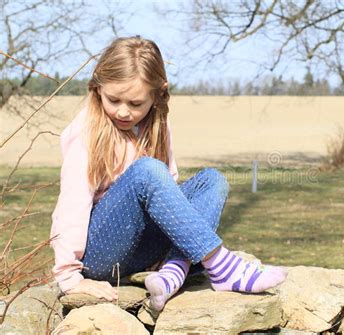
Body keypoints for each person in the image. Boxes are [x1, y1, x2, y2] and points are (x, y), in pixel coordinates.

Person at [49, 36, 287, 313]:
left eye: (136, 103)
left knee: (212, 181)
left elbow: (168, 194)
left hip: (143, 252)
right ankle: (222, 267)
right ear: (97, 87)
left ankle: (173, 270)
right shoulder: (87, 131)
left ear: (158, 94)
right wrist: (68, 277)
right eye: (113, 99)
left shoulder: (157, 125)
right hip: (101, 255)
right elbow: (71, 205)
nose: (123, 111)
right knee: (148, 170)